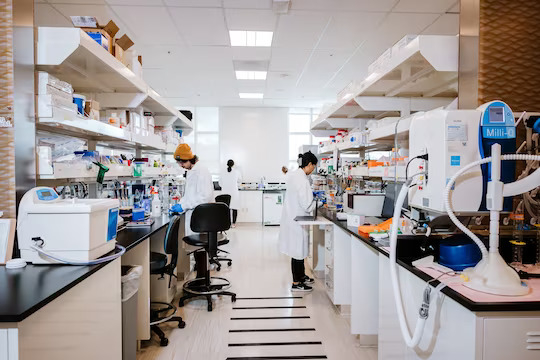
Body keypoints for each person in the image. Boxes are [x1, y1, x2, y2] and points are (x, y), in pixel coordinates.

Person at [278, 151, 318, 292]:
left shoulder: (296, 175)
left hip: (294, 217)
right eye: (314, 166)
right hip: (297, 219)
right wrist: (319, 202)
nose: (314, 169)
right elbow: (307, 204)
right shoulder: (301, 179)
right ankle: (296, 283)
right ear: (309, 164)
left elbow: (288, 174)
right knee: (297, 250)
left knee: (299, 249)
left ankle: (301, 276)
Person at [170, 144, 213, 235]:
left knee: (200, 239)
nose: (181, 165)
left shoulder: (201, 170)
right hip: (195, 213)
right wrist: (181, 204)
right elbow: (189, 194)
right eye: (179, 163)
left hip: (202, 216)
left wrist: (183, 206)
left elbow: (204, 197)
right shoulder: (191, 171)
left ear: (190, 159)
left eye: (183, 163)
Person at [220, 159, 241, 228]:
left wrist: (225, 186)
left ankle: (227, 224)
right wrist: (235, 185)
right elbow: (240, 181)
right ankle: (233, 224)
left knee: (226, 208)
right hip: (234, 192)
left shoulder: (222, 172)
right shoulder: (236, 172)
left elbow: (220, 183)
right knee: (234, 208)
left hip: (225, 192)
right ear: (233, 165)